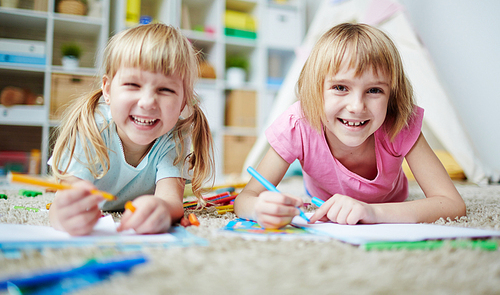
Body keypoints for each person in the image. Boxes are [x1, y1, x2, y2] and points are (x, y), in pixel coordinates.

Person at [234, 23, 466, 229]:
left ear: (392, 96)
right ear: (315, 89)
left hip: (391, 200)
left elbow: (452, 204)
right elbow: (245, 200)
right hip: (319, 197)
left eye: (374, 90)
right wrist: (258, 208)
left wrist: (373, 212)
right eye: (340, 87)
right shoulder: (298, 124)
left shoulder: (400, 121)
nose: (356, 106)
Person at [49, 23, 214, 235]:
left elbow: (171, 200)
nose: (147, 102)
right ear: (107, 90)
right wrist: (65, 216)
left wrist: (162, 209)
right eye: (133, 85)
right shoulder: (91, 128)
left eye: (165, 89)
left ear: (183, 102)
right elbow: (62, 201)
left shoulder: (175, 137)